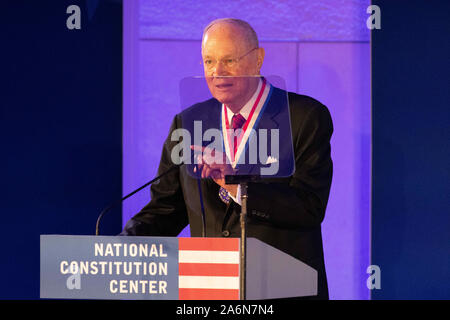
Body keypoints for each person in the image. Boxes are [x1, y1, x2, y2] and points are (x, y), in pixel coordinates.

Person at [121, 18, 333, 300]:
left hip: (282, 292)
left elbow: (309, 207)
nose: (217, 72)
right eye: (209, 62)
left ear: (258, 59)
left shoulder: (303, 117)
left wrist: (236, 185)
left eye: (229, 60)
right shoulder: (188, 123)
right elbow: (165, 210)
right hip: (211, 293)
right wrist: (119, 250)